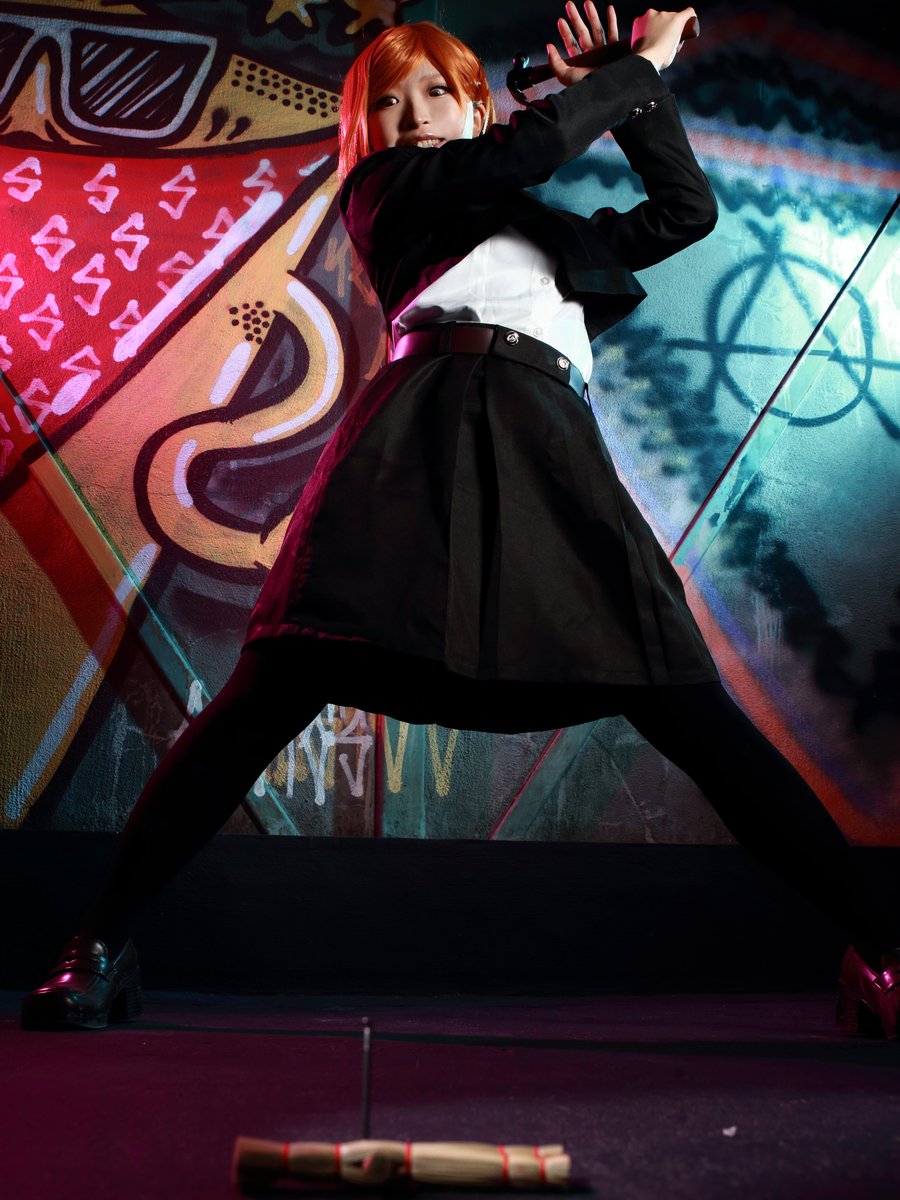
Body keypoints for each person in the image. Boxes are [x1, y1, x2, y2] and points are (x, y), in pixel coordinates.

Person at [21, 3, 900, 1037]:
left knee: (699, 719)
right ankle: (97, 946)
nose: (414, 115)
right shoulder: (388, 192)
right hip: (416, 438)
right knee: (265, 700)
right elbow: (526, 152)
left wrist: (630, 88)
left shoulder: (559, 239)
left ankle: (879, 952)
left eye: (437, 92)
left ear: (476, 104)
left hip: (550, 453)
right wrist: (637, 67)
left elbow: (684, 210)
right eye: (390, 103)